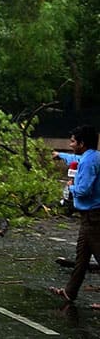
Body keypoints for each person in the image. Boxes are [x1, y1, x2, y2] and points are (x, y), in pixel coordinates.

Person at [49, 125, 100, 302]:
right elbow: (74, 158)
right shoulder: (93, 157)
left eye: (72, 141)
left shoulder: (87, 162)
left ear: (82, 143)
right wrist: (60, 155)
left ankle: (70, 292)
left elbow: (84, 189)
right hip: (89, 217)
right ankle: (70, 292)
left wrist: (72, 187)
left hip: (93, 217)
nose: (70, 145)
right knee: (82, 257)